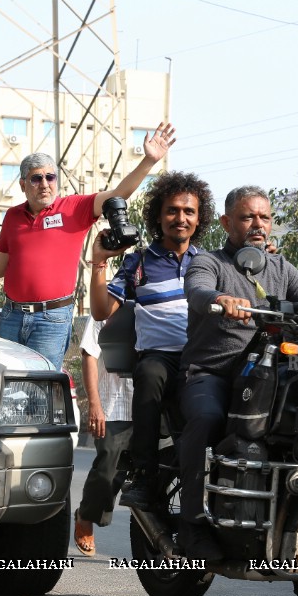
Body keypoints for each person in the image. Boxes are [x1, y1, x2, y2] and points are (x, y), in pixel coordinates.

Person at [180, 185, 298, 596]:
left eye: (263, 217)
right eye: (247, 218)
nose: (257, 225)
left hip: (269, 378)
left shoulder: (281, 267)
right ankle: (191, 522)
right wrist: (221, 298)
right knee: (206, 420)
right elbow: (198, 289)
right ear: (227, 223)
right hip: (213, 373)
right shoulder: (210, 261)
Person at [0, 123, 176, 370]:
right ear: (22, 185)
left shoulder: (74, 208)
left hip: (51, 318)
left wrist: (148, 161)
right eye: (36, 178)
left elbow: (119, 194)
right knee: (8, 385)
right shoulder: (12, 217)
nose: (44, 184)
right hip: (11, 315)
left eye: (50, 177)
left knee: (42, 387)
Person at [88, 171, 214, 508]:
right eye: (172, 210)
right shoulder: (138, 262)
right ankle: (142, 475)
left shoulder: (210, 263)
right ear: (158, 216)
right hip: (159, 358)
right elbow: (101, 312)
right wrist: (99, 262)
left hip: (203, 360)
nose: (180, 218)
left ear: (199, 218)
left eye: (189, 211)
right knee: (151, 373)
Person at [74, 319, 134, 556]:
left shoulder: (166, 296)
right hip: (115, 405)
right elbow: (89, 354)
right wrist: (95, 404)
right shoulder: (105, 307)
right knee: (108, 470)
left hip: (153, 403)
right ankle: (86, 515)